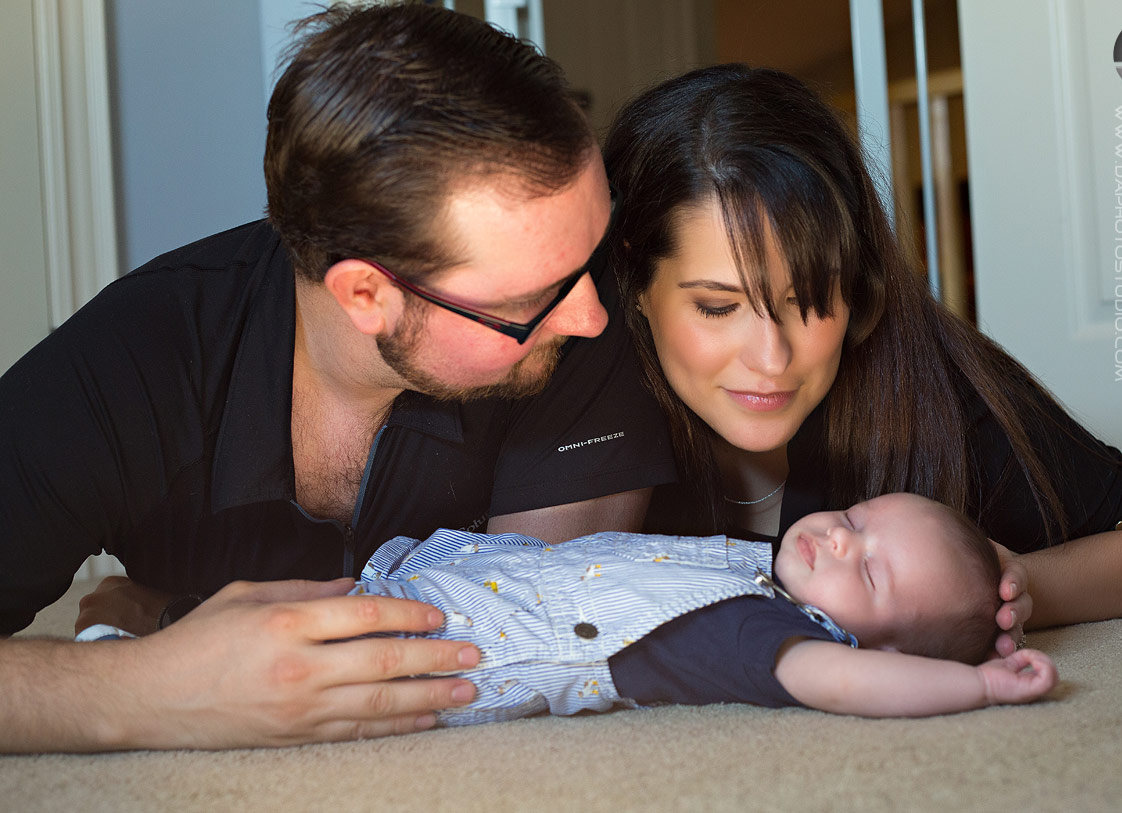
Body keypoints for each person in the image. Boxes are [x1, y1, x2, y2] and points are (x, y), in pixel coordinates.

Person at [0, 3, 674, 752]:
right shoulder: (131, 360)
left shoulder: (577, 317)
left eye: (590, 254)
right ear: (365, 295)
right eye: (527, 302)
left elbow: (532, 649)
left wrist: (165, 616)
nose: (590, 316)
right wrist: (146, 686)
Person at [603, 65, 1122, 655]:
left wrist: (1018, 588)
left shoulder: (927, 387)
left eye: (810, 301)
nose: (772, 358)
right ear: (635, 280)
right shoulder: (588, 390)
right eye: (717, 307)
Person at [80, 493, 1060, 722]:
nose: (838, 537)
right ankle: (156, 611)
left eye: (871, 573)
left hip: (437, 651)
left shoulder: (764, 634)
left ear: (858, 632)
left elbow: (846, 683)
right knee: (279, 591)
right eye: (852, 515)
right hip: (437, 576)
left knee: (284, 644)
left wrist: (970, 682)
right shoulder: (758, 567)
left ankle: (124, 640)